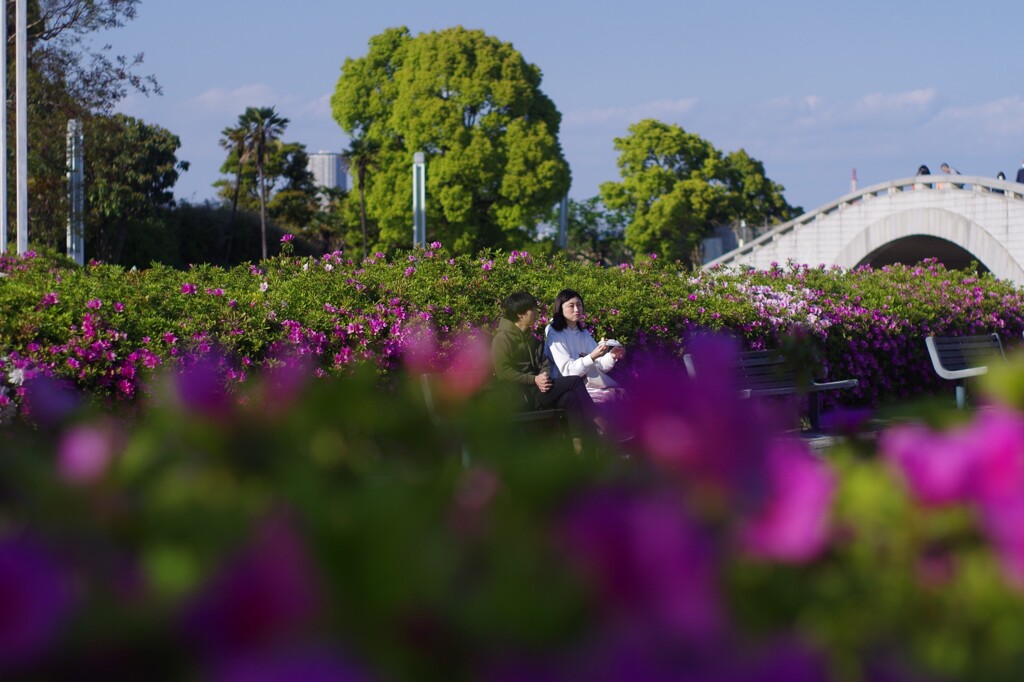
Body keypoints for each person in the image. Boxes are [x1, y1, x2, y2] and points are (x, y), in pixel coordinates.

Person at [491, 291, 617, 452]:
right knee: (574, 380)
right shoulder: (502, 339)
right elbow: (503, 372)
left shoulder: (533, 339)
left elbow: (545, 363)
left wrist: (543, 375)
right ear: (520, 315)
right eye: (533, 309)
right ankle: (601, 423)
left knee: (570, 398)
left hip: (539, 390)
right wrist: (534, 380)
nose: (537, 313)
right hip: (518, 395)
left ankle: (579, 450)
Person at [544, 288, 626, 404]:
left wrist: (612, 356)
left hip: (585, 384)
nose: (577, 309)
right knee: (607, 400)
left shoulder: (583, 334)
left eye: (579, 305)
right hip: (563, 384)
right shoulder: (554, 333)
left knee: (621, 395)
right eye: (571, 306)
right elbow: (567, 371)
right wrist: (591, 357)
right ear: (560, 308)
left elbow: (600, 365)